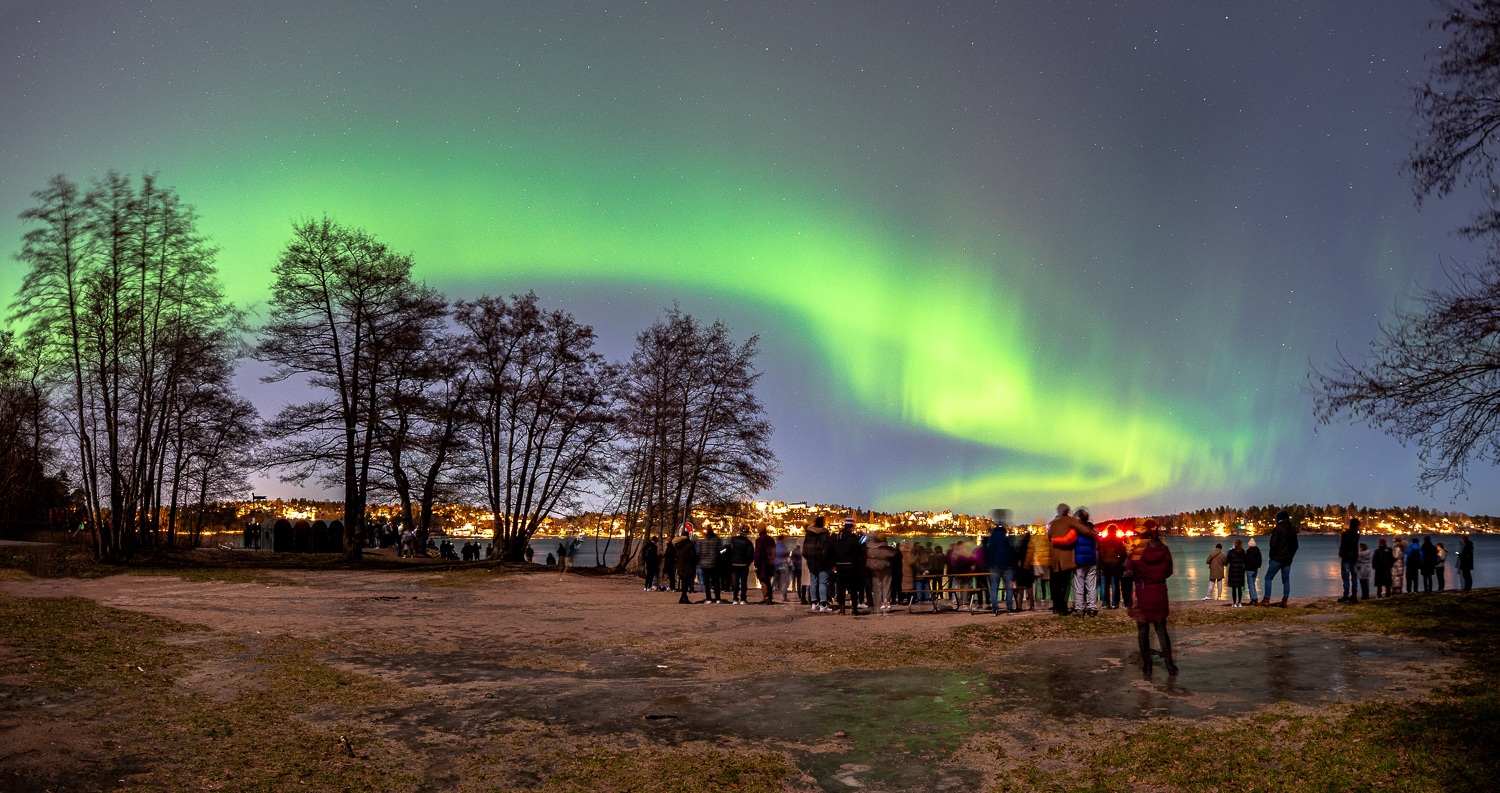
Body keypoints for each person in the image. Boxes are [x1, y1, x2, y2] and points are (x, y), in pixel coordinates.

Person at [1127, 519, 1178, 675]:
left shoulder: (1136, 551)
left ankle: (1147, 665)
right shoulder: (1165, 550)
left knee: (1143, 629)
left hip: (1143, 591)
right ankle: (1169, 664)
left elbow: (1130, 571)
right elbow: (1168, 571)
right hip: (1160, 591)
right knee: (1161, 628)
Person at [1048, 504, 1086, 615]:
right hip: (1066, 559)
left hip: (1054, 560)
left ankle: (1056, 606)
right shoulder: (1070, 523)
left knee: (1055, 584)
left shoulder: (1052, 524)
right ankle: (1062, 606)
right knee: (1064, 584)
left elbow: (1049, 538)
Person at [983, 509, 1019, 614]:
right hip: (1007, 563)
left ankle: (994, 608)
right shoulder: (1007, 537)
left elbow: (987, 549)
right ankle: (1009, 607)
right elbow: (1012, 549)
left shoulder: (992, 537)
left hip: (994, 564)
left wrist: (988, 562)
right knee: (1008, 587)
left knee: (994, 587)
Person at [1260, 510, 1298, 607]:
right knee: (1286, 579)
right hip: (1288, 560)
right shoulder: (1293, 529)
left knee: (1268, 577)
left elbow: (1273, 544)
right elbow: (1295, 546)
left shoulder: (1277, 529)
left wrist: (1271, 557)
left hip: (1277, 558)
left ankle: (1266, 599)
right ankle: (1285, 600)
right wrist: (1290, 556)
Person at [1069, 508, 1100, 616]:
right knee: (1091, 586)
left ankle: (1079, 608)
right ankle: (1092, 607)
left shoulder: (1076, 530)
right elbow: (1098, 545)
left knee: (1079, 586)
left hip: (1079, 560)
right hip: (1091, 560)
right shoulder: (1093, 530)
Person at [832, 517, 865, 615]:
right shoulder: (853, 539)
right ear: (850, 528)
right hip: (852, 566)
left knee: (841, 588)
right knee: (853, 589)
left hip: (840, 566)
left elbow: (832, 552)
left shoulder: (837, 538)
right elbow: (859, 552)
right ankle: (854, 608)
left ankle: (842, 608)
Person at [803, 517, 833, 612]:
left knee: (813, 581)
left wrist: (809, 558)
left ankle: (814, 602)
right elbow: (829, 548)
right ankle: (823, 603)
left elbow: (805, 550)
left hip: (811, 560)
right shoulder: (825, 534)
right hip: (822, 561)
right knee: (823, 582)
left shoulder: (809, 534)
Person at [865, 532, 899, 610]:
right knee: (886, 586)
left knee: (876, 587)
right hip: (886, 567)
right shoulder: (886, 548)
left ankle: (878, 604)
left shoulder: (871, 548)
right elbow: (893, 554)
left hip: (874, 568)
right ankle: (886, 603)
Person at [1097, 523, 1127, 609]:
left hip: (1105, 565)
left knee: (1104, 585)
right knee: (1115, 584)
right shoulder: (1119, 541)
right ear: (1116, 531)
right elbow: (1123, 553)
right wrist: (1121, 561)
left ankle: (1105, 603)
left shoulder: (1103, 541)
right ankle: (1115, 603)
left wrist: (1100, 564)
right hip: (1116, 565)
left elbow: (1100, 554)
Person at [728, 527, 755, 605]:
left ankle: (735, 599)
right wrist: (749, 562)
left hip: (735, 563)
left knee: (736, 582)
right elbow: (750, 555)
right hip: (744, 564)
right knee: (744, 582)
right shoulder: (748, 543)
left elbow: (730, 550)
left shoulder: (733, 540)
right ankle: (743, 599)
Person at [697, 525, 724, 604]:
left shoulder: (703, 540)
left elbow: (700, 552)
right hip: (714, 563)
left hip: (704, 563)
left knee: (707, 582)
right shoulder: (717, 539)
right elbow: (721, 551)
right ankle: (718, 598)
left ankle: (708, 598)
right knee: (715, 581)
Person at [1029, 520, 1053, 605]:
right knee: (1049, 581)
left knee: (1041, 582)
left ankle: (1042, 596)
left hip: (1041, 562)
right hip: (1047, 562)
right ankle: (1050, 596)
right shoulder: (1047, 538)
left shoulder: (1036, 538)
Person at [1338, 518, 1361, 603]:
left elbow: (1343, 544)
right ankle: (1354, 595)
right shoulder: (1357, 534)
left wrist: (1341, 553)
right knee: (1354, 576)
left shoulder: (1346, 534)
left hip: (1346, 556)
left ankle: (1346, 595)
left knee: (1346, 576)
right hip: (1354, 557)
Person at [673, 527, 697, 604]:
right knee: (686, 582)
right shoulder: (690, 544)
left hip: (680, 565)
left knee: (683, 581)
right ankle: (684, 597)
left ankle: (683, 597)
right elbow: (692, 555)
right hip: (688, 565)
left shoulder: (677, 545)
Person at [754, 526, 776, 604]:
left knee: (763, 581)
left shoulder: (759, 540)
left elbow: (757, 553)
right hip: (770, 562)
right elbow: (774, 551)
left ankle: (766, 598)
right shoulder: (771, 539)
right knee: (768, 580)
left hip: (762, 563)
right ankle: (770, 597)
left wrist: (756, 564)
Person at [1225, 539, 1247, 607]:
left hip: (1233, 571)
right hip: (1240, 570)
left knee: (1234, 588)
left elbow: (1227, 561)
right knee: (1239, 588)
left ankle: (1234, 603)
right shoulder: (1242, 551)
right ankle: (1239, 602)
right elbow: (1245, 561)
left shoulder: (1231, 552)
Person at [773, 534, 792, 602]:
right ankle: (784, 596)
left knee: (775, 580)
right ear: (782, 539)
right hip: (783, 565)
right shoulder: (784, 546)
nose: (786, 540)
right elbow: (787, 553)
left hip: (775, 564)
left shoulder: (775, 545)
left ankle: (770, 592)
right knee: (784, 581)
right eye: (785, 539)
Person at [1244, 537, 1262, 605]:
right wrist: (1258, 567)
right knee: (1253, 584)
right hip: (1255, 569)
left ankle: (1253, 599)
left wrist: (1245, 567)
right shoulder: (1258, 551)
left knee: (1250, 585)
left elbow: (1246, 560)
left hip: (1249, 570)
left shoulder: (1248, 552)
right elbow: (1260, 560)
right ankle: (1255, 598)